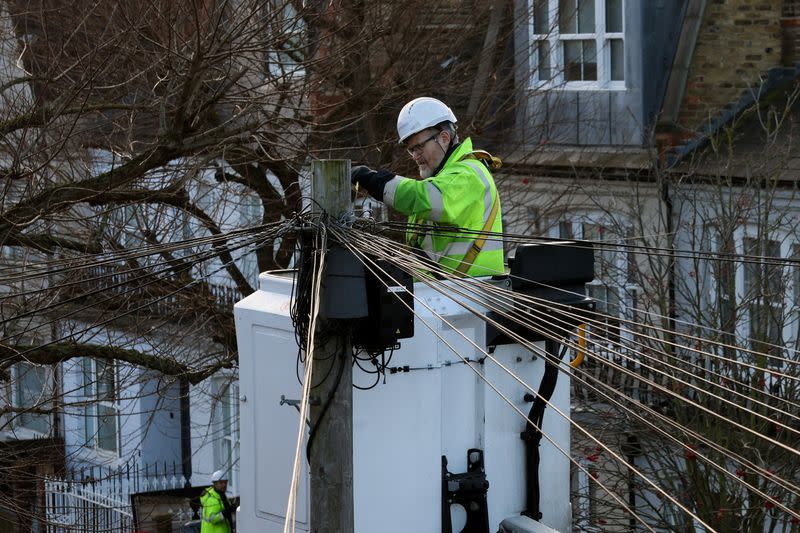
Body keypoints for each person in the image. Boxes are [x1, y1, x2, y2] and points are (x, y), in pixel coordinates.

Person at [351, 97, 504, 277]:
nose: (415, 156)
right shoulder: (443, 179)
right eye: (411, 150)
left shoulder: (469, 175)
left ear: (444, 138)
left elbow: (428, 198)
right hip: (444, 295)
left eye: (419, 147)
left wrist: (374, 181)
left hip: (470, 297)